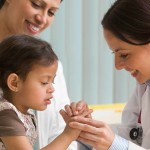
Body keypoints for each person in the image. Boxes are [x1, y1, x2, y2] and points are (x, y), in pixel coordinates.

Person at [62, 0, 150, 150]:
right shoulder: (144, 84)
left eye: (124, 54)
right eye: (114, 53)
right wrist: (88, 130)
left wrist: (113, 144)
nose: (117, 66)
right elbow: (133, 134)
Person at [0, 0, 88, 149]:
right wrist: (68, 134)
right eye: (36, 4)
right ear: (14, 82)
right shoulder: (7, 115)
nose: (42, 18)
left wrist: (74, 124)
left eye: (51, 12)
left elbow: (59, 133)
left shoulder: (48, 64)